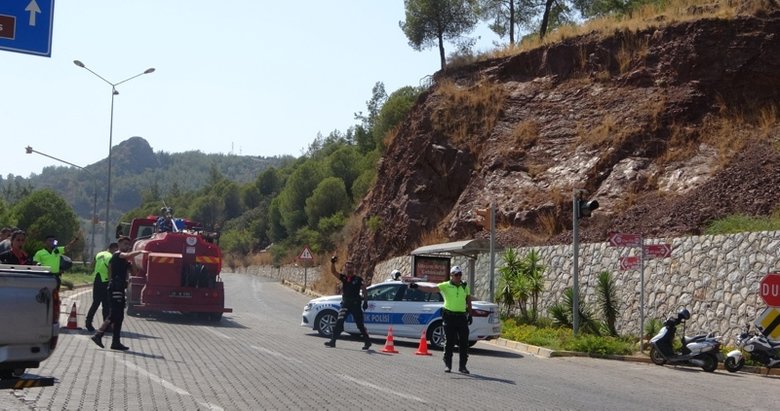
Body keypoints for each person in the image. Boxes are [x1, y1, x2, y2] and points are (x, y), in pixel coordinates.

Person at [409, 265, 473, 374]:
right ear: (452, 276)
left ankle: (463, 366)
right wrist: (417, 286)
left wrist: (470, 314)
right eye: (456, 275)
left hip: (461, 317)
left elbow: (468, 300)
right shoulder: (446, 285)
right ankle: (448, 364)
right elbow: (431, 289)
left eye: (460, 275)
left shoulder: (465, 286)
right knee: (449, 342)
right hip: (449, 316)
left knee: (464, 343)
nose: (459, 277)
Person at [91, 236, 147, 351]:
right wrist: (139, 251)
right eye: (125, 244)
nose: (127, 246)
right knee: (114, 314)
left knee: (120, 316)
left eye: (128, 245)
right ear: (119, 244)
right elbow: (125, 256)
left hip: (121, 288)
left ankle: (115, 342)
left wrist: (133, 262)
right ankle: (98, 335)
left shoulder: (125, 260)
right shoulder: (117, 254)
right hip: (115, 288)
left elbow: (134, 272)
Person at [324, 256, 372, 350]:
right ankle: (333, 341)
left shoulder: (358, 279)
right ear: (345, 268)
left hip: (355, 304)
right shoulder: (344, 278)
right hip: (345, 304)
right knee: (339, 321)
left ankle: (367, 342)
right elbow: (333, 272)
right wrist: (333, 263)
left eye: (351, 267)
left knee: (360, 324)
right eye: (347, 267)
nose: (349, 269)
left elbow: (364, 289)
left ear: (353, 268)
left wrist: (365, 301)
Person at [85, 242, 119, 332]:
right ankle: (106, 325)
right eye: (116, 250)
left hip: (97, 280)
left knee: (95, 303)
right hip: (105, 281)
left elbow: (92, 265)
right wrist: (111, 282)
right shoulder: (110, 257)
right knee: (106, 304)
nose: (117, 252)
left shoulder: (99, 254)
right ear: (113, 248)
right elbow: (110, 269)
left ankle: (88, 322)